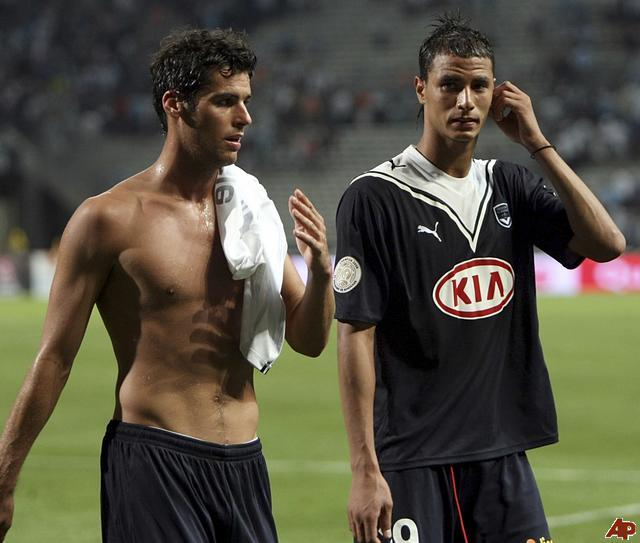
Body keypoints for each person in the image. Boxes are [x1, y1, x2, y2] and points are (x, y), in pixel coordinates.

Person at [0, 28, 334, 543]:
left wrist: (322, 275)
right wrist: (5, 475)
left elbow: (310, 341)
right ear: (176, 104)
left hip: (244, 464)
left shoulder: (251, 212)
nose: (245, 117)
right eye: (225, 101)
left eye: (246, 101)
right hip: (155, 463)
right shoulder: (107, 219)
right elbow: (55, 357)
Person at [334, 14, 625, 543]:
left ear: (496, 94)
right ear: (421, 89)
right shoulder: (373, 197)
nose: (466, 101)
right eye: (450, 84)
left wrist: (538, 143)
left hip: (502, 456)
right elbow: (356, 334)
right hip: (413, 460)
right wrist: (364, 469)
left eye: (479, 86)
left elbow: (607, 245)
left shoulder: (509, 183)